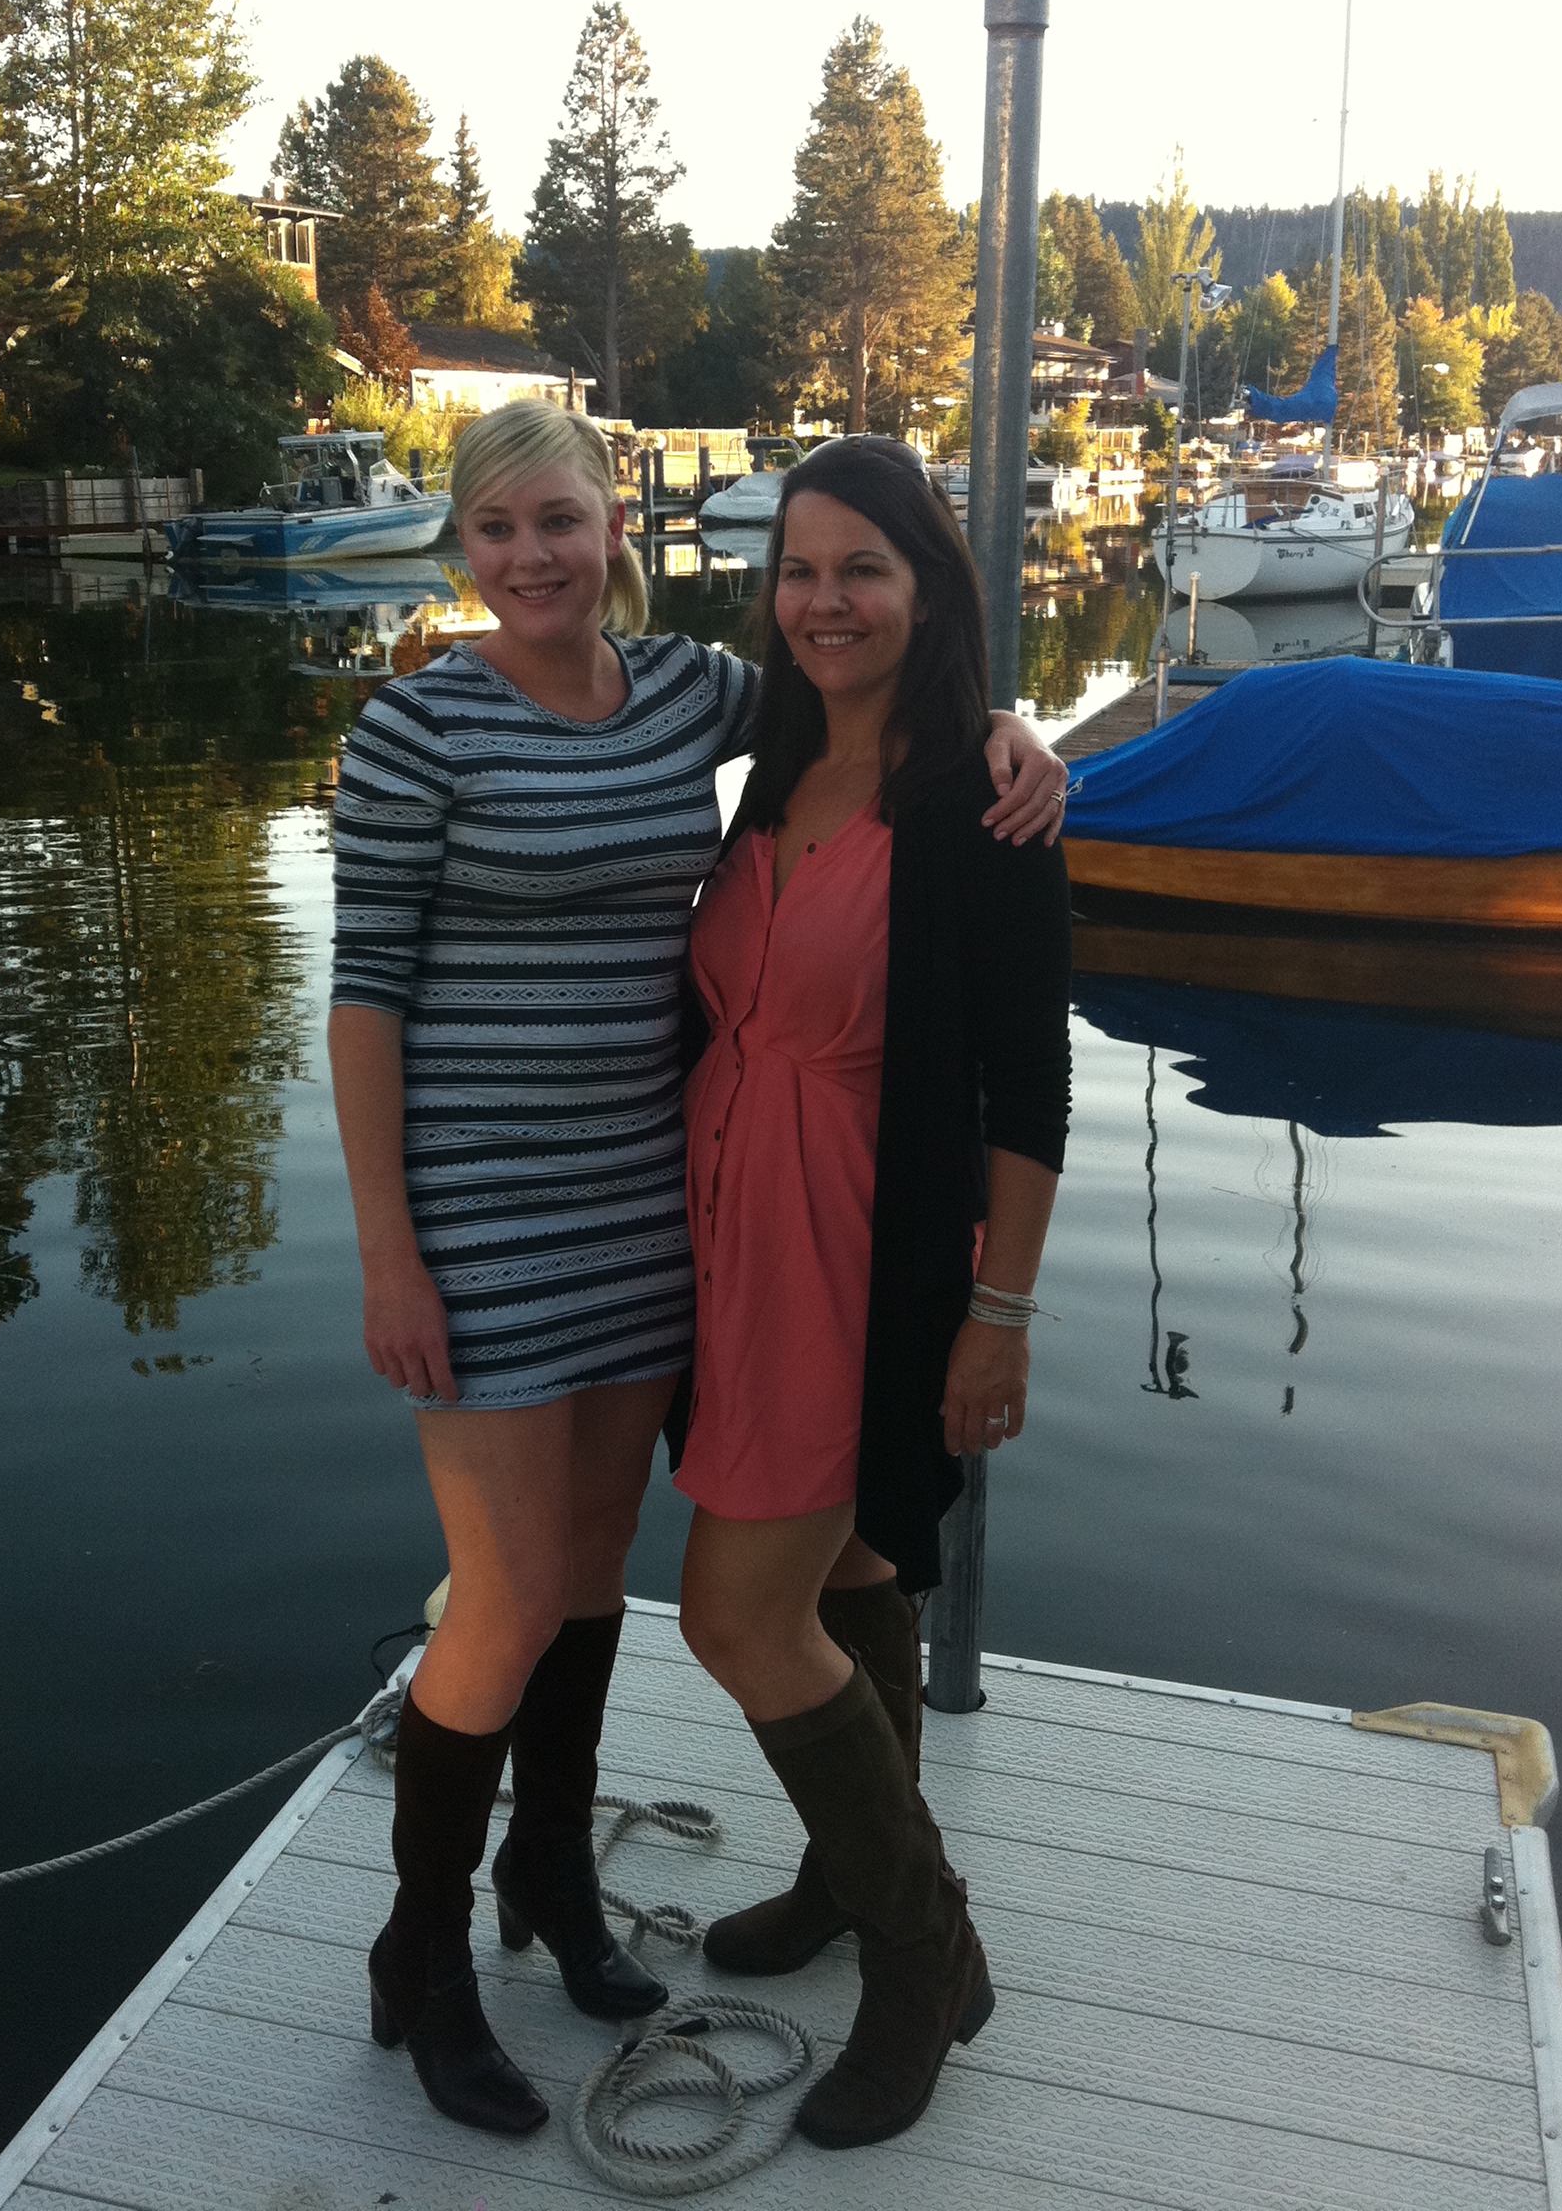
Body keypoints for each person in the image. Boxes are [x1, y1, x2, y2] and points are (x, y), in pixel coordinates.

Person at [326, 400, 1067, 2137]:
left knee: (614, 1570)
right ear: (459, 543)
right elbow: (364, 997)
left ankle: (571, 1878)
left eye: (560, 521)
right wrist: (388, 1253)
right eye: (495, 527)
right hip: (504, 1216)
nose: (532, 558)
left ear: (617, 528)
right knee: (513, 1593)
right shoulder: (424, 723)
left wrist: (1020, 729)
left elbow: (878, 693)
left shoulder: (694, 699)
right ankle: (421, 1954)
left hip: (674, 1215)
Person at [674, 434, 1072, 2151]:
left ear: (929, 590)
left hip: (863, 1250)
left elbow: (1030, 1088)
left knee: (730, 1614)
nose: (825, 601)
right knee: (845, 1570)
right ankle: (852, 1877)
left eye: (864, 570)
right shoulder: (770, 760)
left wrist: (1001, 1314)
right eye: (800, 570)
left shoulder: (984, 800)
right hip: (731, 1232)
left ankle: (927, 1950)